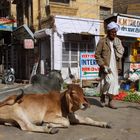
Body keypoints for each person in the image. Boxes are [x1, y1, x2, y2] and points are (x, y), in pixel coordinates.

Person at [95, 21, 124, 109]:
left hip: (115, 66)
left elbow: (120, 54)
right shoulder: (102, 41)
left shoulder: (117, 42)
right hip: (106, 66)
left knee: (114, 84)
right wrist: (103, 65)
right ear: (108, 32)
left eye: (115, 32)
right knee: (108, 82)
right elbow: (97, 54)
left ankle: (110, 102)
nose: (114, 34)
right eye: (112, 32)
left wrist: (119, 67)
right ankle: (103, 96)